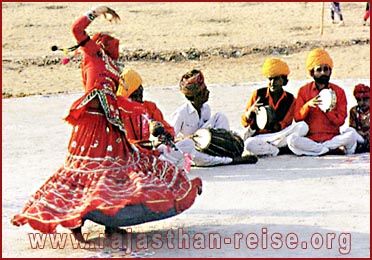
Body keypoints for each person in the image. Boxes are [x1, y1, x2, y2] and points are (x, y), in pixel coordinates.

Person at [11, 6, 202, 242]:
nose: (116, 46)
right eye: (111, 43)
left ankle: (111, 223)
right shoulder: (93, 55)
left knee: (117, 173)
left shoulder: (114, 66)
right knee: (86, 172)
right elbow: (76, 29)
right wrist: (97, 11)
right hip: (93, 125)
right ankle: (77, 224)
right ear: (101, 45)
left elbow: (120, 97)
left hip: (112, 125)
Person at [171, 69, 257, 166]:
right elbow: (170, 139)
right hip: (192, 148)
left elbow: (210, 132)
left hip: (206, 146)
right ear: (196, 96)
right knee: (196, 156)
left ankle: (226, 150)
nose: (208, 92)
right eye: (204, 91)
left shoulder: (206, 108)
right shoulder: (181, 113)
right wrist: (188, 138)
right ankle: (230, 160)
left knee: (220, 117)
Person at [116, 68, 194, 170]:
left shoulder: (149, 107)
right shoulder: (119, 112)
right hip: (132, 154)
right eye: (135, 93)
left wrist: (167, 137)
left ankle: (162, 166)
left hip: (153, 153)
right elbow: (125, 144)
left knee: (188, 144)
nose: (140, 94)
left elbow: (168, 129)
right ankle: (163, 167)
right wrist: (152, 144)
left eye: (141, 89)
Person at [287, 48, 357, 156]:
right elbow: (297, 118)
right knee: (291, 140)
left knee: (351, 135)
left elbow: (341, 121)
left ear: (330, 71)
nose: (323, 73)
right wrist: (308, 106)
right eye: (319, 70)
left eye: (326, 69)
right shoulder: (304, 91)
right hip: (311, 138)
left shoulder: (339, 91)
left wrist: (327, 110)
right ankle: (325, 149)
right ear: (312, 73)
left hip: (332, 138)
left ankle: (319, 150)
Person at [241, 58, 308, 157]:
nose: (272, 83)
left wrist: (274, 125)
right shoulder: (258, 94)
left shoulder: (290, 99)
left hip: (279, 136)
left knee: (302, 126)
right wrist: (249, 113)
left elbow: (286, 123)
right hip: (260, 137)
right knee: (249, 144)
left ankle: (273, 148)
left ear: (284, 81)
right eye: (270, 79)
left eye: (276, 79)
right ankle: (276, 150)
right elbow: (244, 123)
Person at [344, 84, 370, 153]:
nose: (362, 103)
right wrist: (360, 133)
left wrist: (367, 133)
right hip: (360, 138)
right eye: (359, 100)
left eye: (365, 99)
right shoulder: (354, 110)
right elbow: (352, 129)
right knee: (348, 131)